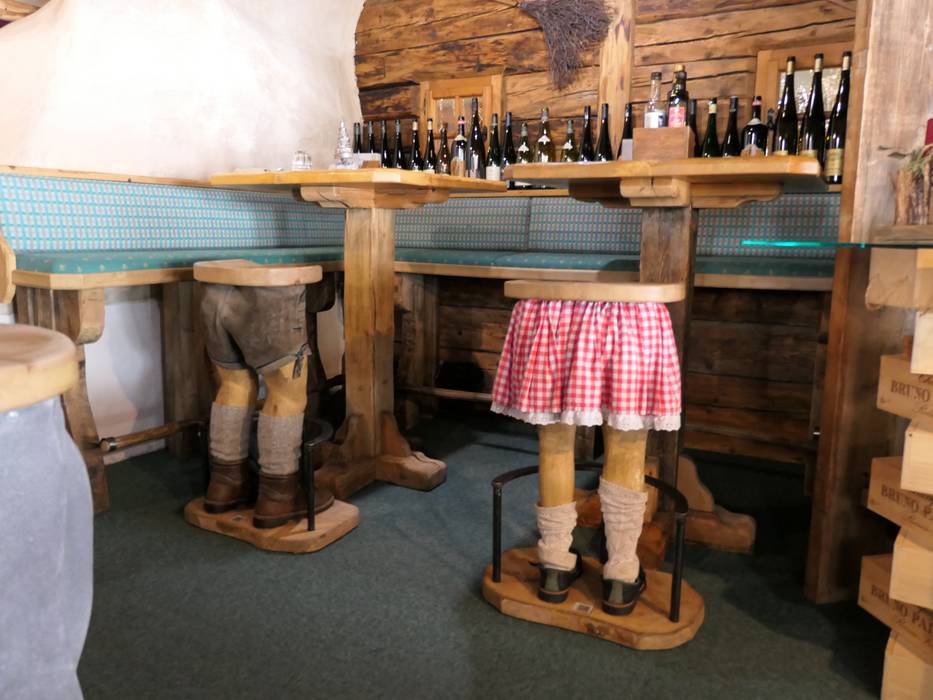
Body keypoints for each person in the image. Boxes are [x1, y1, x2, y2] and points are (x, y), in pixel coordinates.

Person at [491, 298, 681, 615]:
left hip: (551, 312)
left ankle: (554, 566)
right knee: (627, 442)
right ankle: (621, 575)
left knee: (554, 440)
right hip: (631, 315)